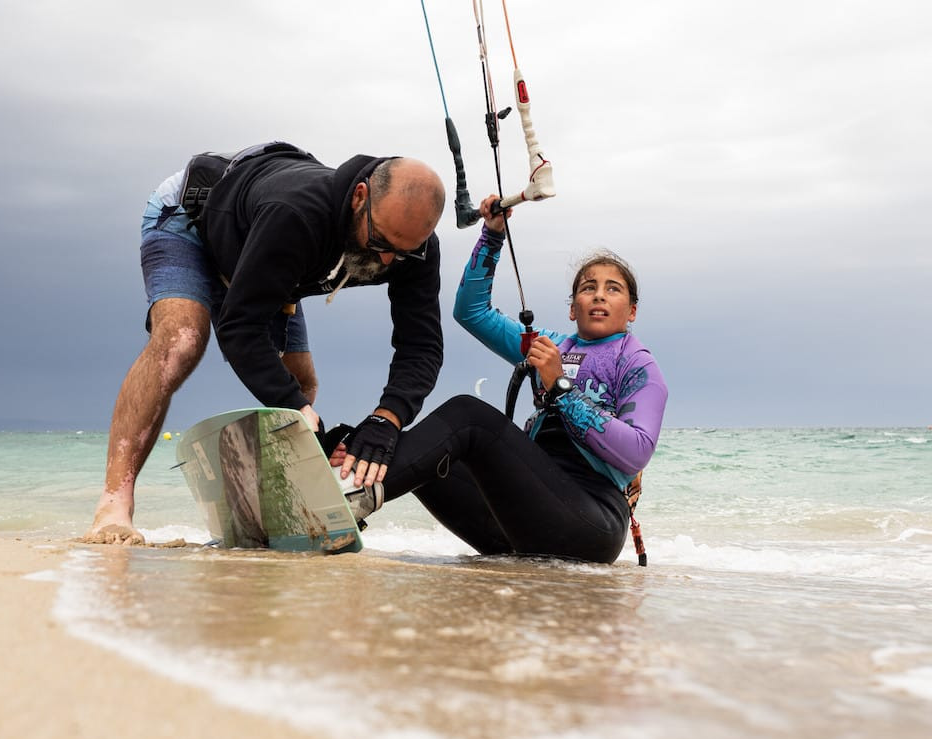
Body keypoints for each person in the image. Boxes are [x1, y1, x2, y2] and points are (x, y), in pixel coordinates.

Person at [86, 141, 446, 544]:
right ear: (359, 197)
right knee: (181, 341)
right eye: (381, 242)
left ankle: (282, 506)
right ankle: (113, 506)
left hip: (269, 254)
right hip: (191, 218)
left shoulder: (415, 249)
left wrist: (387, 419)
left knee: (300, 383)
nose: (387, 261)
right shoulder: (297, 215)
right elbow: (240, 326)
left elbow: (422, 345)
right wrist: (294, 406)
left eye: (404, 252)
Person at [347, 194, 668, 563]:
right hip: (521, 524)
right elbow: (472, 312)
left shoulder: (637, 364)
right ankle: (344, 478)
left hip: (590, 525)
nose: (598, 295)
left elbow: (636, 451)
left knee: (469, 416)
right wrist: (492, 235)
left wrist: (560, 387)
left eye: (613, 289)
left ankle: (352, 498)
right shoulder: (550, 346)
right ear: (572, 308)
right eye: (587, 287)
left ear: (632, 311)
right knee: (423, 455)